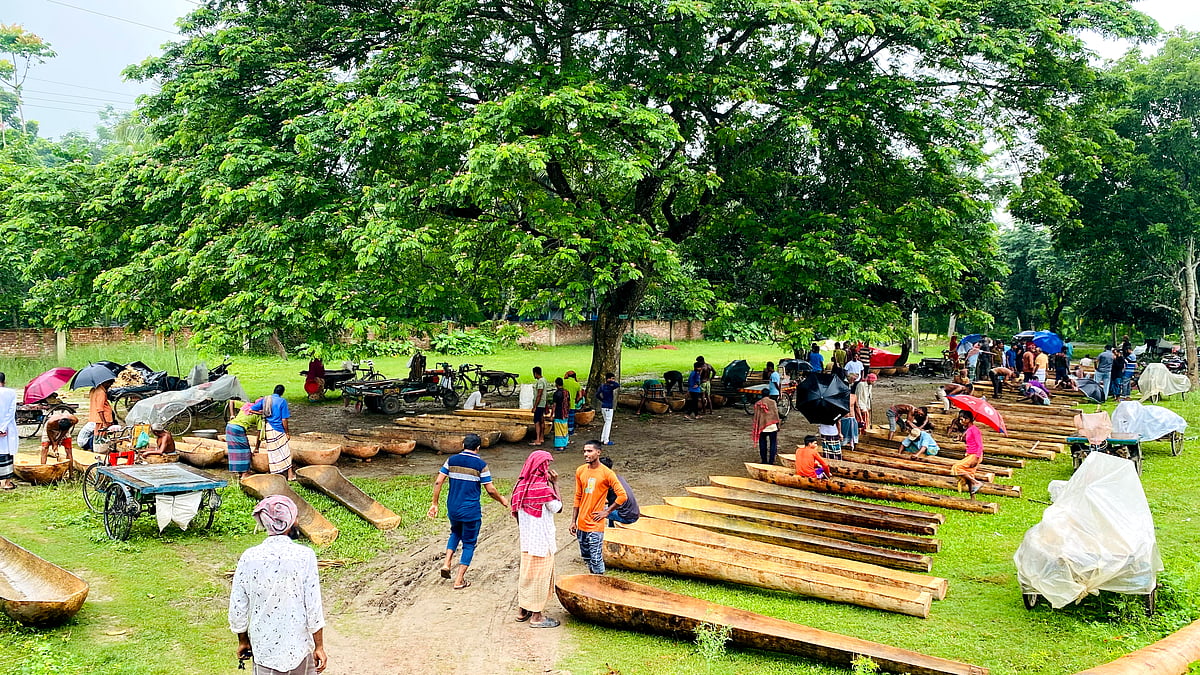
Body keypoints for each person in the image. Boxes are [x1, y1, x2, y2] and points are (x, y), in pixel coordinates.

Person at [229, 495, 328, 674]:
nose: (297, 521)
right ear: (289, 523)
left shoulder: (249, 558)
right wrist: (319, 646)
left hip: (264, 651)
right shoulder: (305, 556)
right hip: (299, 650)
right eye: (295, 517)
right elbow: (313, 607)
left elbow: (238, 607)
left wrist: (243, 640)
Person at [428, 434, 509, 590]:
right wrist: (502, 500)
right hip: (471, 511)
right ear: (478, 448)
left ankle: (447, 563)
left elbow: (438, 481)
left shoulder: (451, 460)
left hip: (453, 508)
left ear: (463, 444)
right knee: (469, 543)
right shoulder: (481, 464)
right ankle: (459, 580)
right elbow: (490, 490)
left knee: (455, 532)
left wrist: (434, 504)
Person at [510, 450, 562, 629]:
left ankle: (522, 611)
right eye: (546, 465)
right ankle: (537, 616)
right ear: (541, 467)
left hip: (527, 541)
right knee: (540, 577)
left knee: (527, 575)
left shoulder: (520, 487)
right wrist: (555, 484)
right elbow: (557, 508)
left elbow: (516, 513)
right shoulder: (542, 489)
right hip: (542, 541)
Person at [570, 440, 627, 574]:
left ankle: (600, 582)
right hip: (581, 524)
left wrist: (607, 512)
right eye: (584, 451)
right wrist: (573, 521)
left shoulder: (607, 473)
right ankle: (593, 582)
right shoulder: (580, 470)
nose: (586, 454)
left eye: (589, 451)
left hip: (595, 524)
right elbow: (578, 496)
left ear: (598, 452)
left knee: (596, 559)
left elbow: (622, 496)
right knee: (587, 558)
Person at [250, 385, 294, 480]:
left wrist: (263, 413)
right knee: (285, 451)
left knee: (272, 451)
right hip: (278, 429)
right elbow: (284, 419)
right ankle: (290, 474)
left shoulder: (265, 400)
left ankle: (274, 472)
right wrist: (287, 432)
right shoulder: (282, 401)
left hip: (268, 428)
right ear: (282, 393)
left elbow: (251, 409)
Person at [598, 457, 640, 527]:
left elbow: (601, 500)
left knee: (594, 510)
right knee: (611, 506)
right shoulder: (617, 476)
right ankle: (611, 528)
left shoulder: (607, 482)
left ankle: (591, 532)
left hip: (627, 517)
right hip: (634, 513)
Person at [226, 401, 263, 478]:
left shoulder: (246, 405)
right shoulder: (259, 416)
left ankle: (239, 472)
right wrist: (256, 448)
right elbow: (259, 434)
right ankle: (245, 473)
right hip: (238, 429)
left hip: (229, 427)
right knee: (245, 450)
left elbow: (231, 401)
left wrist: (232, 415)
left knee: (234, 450)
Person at [951, 410, 984, 497]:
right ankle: (972, 499)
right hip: (970, 454)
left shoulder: (975, 430)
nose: (960, 422)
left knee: (956, 467)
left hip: (975, 455)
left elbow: (980, 445)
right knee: (969, 475)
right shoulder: (969, 430)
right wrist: (961, 439)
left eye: (962, 419)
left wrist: (976, 458)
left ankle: (976, 482)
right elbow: (970, 442)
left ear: (968, 419)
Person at [751, 390, 782, 465]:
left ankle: (764, 460)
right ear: (769, 394)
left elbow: (756, 417)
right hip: (772, 426)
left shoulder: (758, 403)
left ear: (761, 394)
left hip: (762, 427)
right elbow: (776, 414)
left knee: (762, 444)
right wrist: (778, 424)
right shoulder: (773, 402)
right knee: (773, 443)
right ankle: (771, 461)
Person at [0, 374, 16, 491]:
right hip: (8, 428)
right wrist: (2, 428)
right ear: (4, 381)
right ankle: (7, 483)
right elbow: (11, 412)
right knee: (7, 452)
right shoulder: (11, 393)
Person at [597, 373, 619, 446]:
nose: (613, 380)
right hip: (609, 407)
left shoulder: (602, 386)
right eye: (612, 378)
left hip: (603, 406)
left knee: (606, 422)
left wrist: (602, 400)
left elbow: (597, 395)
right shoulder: (610, 386)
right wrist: (611, 381)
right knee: (608, 423)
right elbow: (617, 385)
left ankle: (602, 438)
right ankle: (606, 440)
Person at [530, 367, 550, 446]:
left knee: (537, 421)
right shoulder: (544, 380)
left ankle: (538, 439)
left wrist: (535, 406)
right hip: (543, 403)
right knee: (542, 420)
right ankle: (541, 437)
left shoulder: (540, 381)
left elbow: (539, 394)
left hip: (539, 404)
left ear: (535, 373)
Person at [551, 378, 570, 450]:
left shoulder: (556, 394)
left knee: (559, 430)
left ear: (556, 384)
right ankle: (565, 443)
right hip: (565, 413)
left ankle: (560, 445)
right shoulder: (566, 392)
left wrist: (552, 414)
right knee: (565, 428)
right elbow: (569, 403)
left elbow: (554, 405)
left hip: (559, 413)